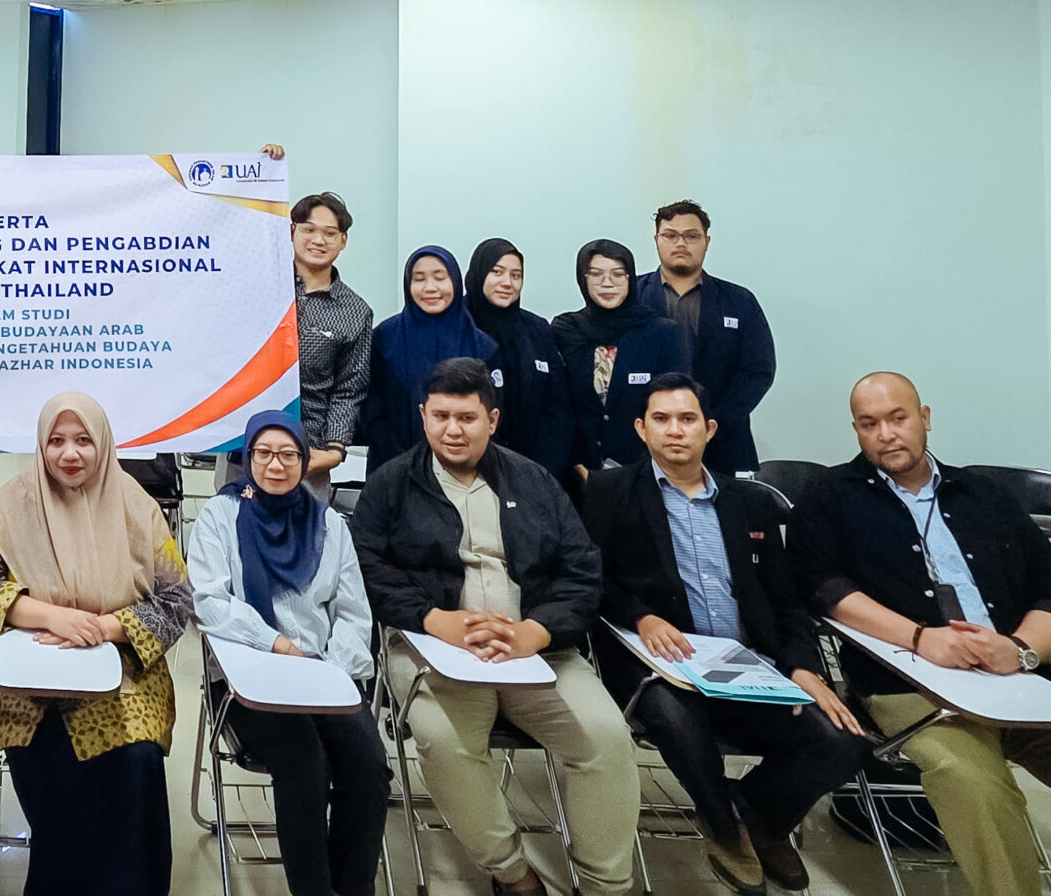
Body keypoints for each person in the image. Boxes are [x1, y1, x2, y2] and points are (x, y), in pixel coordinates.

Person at [790, 372, 1051, 896]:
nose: (886, 434)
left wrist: (1020, 651)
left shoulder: (985, 495)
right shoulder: (830, 495)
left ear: (925, 418)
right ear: (855, 431)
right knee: (975, 785)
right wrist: (921, 638)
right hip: (912, 686)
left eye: (898, 418)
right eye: (869, 424)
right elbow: (823, 589)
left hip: (1021, 682)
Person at [350, 358, 639, 896]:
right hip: (434, 650)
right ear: (422, 415)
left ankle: (607, 885)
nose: (452, 430)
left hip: (537, 653)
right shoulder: (392, 484)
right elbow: (365, 567)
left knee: (604, 737)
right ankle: (513, 873)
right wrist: (433, 618)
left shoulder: (535, 481)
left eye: (467, 418)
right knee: (444, 741)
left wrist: (538, 631)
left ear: (493, 420)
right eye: (440, 416)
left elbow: (582, 570)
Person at [580, 377, 867, 893]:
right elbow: (591, 578)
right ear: (641, 429)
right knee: (673, 716)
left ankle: (756, 816)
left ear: (709, 429)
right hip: (663, 666)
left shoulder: (749, 503)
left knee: (843, 739)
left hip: (748, 664)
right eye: (661, 419)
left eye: (687, 419)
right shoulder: (609, 491)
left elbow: (784, 601)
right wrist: (641, 616)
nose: (674, 430)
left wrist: (804, 667)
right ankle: (723, 827)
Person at [0, 392, 194, 896]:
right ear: (41, 446)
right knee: (51, 769)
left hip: (125, 673)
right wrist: (52, 616)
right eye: (57, 441)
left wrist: (107, 627)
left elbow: (177, 601)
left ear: (103, 444)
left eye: (83, 440)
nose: (70, 454)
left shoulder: (137, 507)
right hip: (31, 684)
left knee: (135, 761)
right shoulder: (14, 502)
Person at [187, 410, 389, 896]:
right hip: (248, 682)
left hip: (324, 677)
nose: (275, 465)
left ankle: (352, 887)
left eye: (288, 454)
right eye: (263, 453)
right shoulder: (221, 516)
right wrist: (276, 644)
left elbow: (354, 613)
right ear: (247, 456)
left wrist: (329, 673)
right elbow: (209, 601)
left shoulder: (328, 523)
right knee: (306, 763)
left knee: (368, 766)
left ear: (304, 460)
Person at [632, 202, 775, 473]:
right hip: (644, 447)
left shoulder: (739, 301)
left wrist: (710, 423)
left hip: (724, 442)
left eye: (691, 236)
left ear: (706, 242)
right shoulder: (631, 297)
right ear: (656, 240)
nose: (681, 243)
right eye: (670, 235)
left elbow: (758, 371)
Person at [552, 239, 684, 474]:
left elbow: (673, 405)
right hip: (577, 471)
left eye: (617, 274)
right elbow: (558, 405)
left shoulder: (661, 333)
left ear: (630, 278)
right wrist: (576, 466)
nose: (607, 283)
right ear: (583, 279)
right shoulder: (565, 330)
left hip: (645, 470)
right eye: (596, 274)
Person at [357, 245, 495, 466]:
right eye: (419, 279)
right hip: (392, 467)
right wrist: (403, 464)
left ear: (455, 282)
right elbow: (371, 410)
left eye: (440, 278)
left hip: (465, 468)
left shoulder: (482, 346)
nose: (430, 288)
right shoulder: (383, 339)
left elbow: (488, 416)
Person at [465, 238, 576, 479]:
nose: (507, 282)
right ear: (478, 274)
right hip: (470, 471)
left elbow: (558, 408)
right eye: (497, 272)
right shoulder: (459, 325)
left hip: (535, 472)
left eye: (516, 275)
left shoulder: (537, 328)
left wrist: (540, 473)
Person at [290, 191, 374, 499]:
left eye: (329, 233)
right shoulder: (260, 287)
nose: (318, 240)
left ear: (343, 240)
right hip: (245, 445)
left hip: (309, 451)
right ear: (292, 231)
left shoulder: (355, 311)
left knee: (309, 529)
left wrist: (335, 451)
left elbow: (348, 390)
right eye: (308, 229)